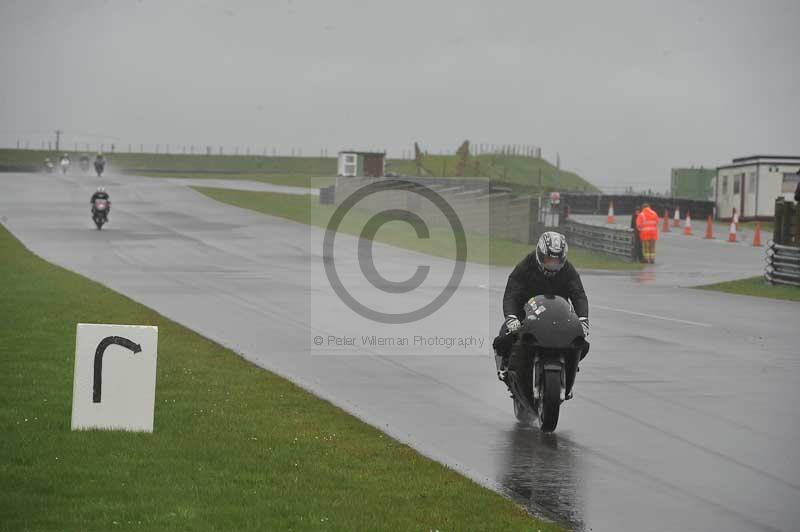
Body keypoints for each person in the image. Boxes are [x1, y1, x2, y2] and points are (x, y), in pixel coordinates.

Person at [492, 231, 589, 378]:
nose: (552, 264)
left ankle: (569, 365)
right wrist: (511, 317)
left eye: (556, 261)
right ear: (540, 254)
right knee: (504, 339)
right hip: (527, 313)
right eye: (548, 259)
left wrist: (583, 319)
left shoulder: (568, 270)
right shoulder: (525, 266)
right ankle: (504, 366)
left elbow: (579, 295)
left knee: (582, 344)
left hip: (559, 315)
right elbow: (511, 293)